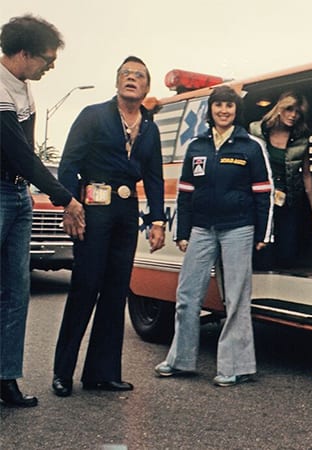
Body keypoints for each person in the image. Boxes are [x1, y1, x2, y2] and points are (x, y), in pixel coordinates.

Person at [52, 56, 166, 397]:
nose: (132, 79)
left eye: (139, 76)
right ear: (117, 82)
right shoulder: (93, 115)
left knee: (117, 292)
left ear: (147, 87)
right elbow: (69, 163)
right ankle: (62, 373)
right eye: (126, 74)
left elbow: (155, 177)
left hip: (127, 212)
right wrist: (70, 205)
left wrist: (157, 219)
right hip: (93, 208)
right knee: (85, 287)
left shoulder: (150, 126)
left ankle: (102, 373)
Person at [154, 85, 273, 387]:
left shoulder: (251, 146)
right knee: (186, 296)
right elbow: (185, 193)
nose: (223, 111)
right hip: (201, 228)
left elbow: (263, 192)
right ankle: (179, 360)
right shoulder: (197, 146)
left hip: (239, 228)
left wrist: (262, 232)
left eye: (229, 106)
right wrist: (182, 232)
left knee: (236, 298)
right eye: (218, 105)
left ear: (236, 111)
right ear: (211, 109)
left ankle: (235, 367)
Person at [0, 15, 85, 408]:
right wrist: (64, 196)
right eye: (47, 59)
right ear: (23, 53)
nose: (50, 67)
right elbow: (16, 152)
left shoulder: (25, 89)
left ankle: (6, 378)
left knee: (17, 292)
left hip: (18, 197)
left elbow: (28, 155)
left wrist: (38, 192)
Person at [249, 91, 312, 269]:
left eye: (298, 112)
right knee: (262, 249)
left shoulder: (301, 139)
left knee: (287, 251)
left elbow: (306, 174)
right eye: (289, 109)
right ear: (279, 108)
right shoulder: (256, 131)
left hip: (288, 199)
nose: (293, 115)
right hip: (260, 201)